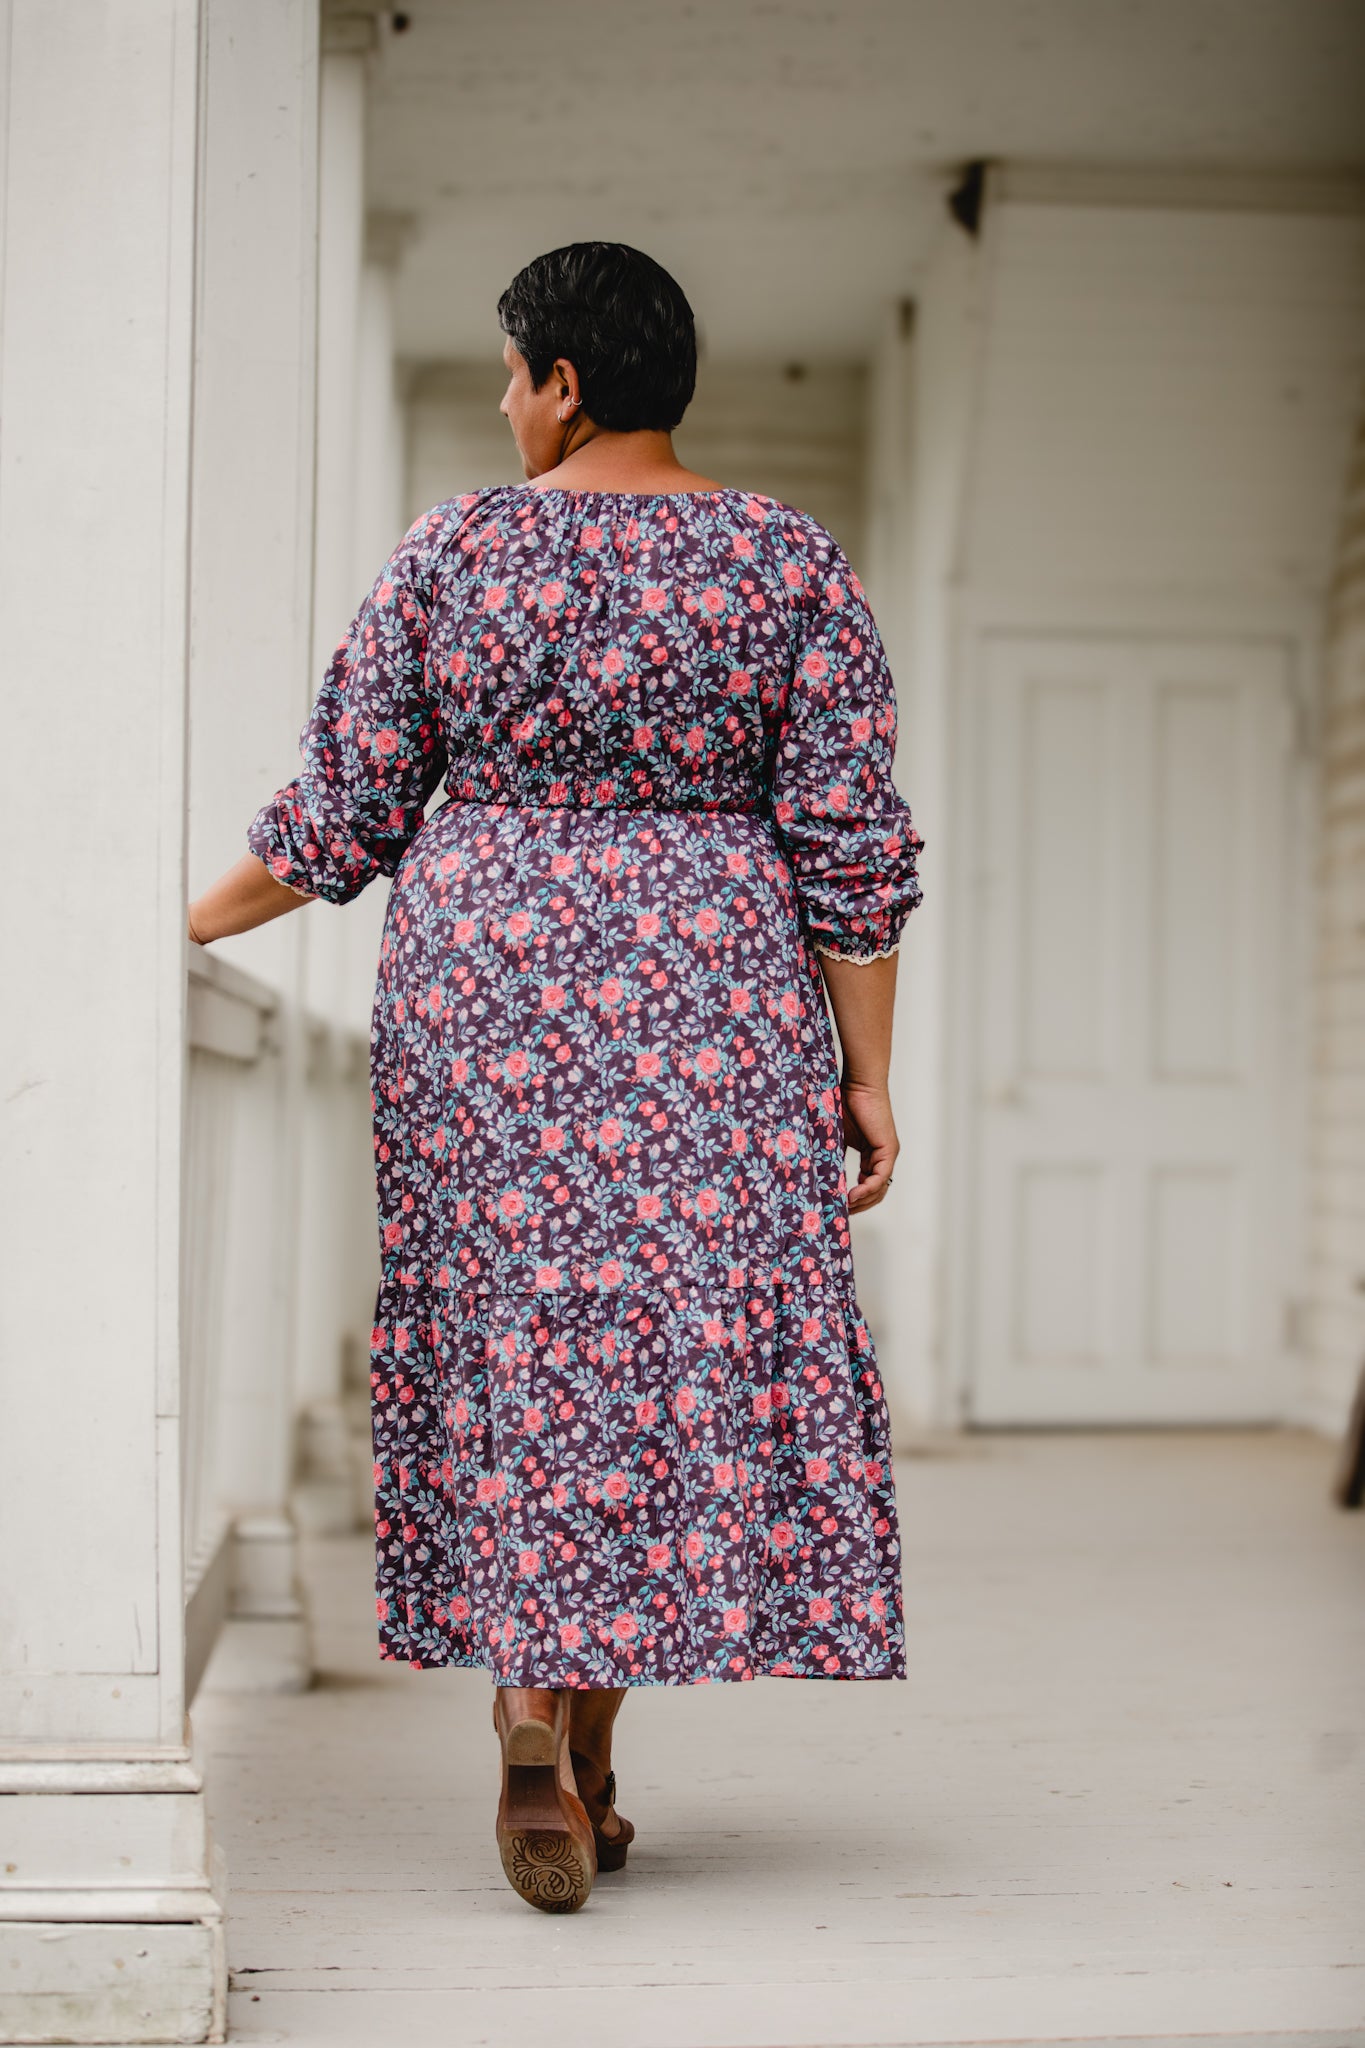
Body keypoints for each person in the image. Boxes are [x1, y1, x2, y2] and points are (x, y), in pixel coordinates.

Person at [189, 241, 923, 1915]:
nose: (505, 402)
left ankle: (532, 1711)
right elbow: (853, 852)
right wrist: (862, 1070)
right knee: (653, 1369)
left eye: (515, 372)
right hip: (713, 1005)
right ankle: (582, 1753)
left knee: (515, 1343)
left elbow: (335, 820)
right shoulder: (786, 562)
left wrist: (167, 923)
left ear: (566, 382)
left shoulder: (456, 551)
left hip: (492, 1001)